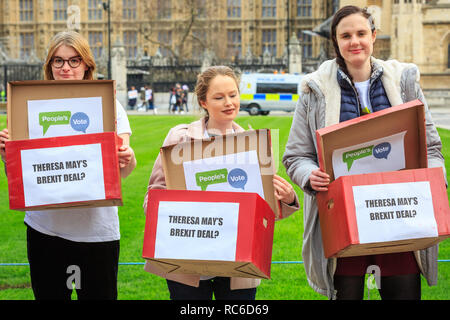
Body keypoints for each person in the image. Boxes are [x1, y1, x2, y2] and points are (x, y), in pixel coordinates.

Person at [282, 5, 445, 300]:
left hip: (399, 217)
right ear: (336, 42)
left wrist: (434, 182)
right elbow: (296, 156)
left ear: (373, 36)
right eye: (346, 35)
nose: (354, 41)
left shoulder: (404, 82)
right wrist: (310, 175)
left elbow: (431, 147)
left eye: (361, 33)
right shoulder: (314, 89)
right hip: (344, 222)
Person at [0, 31, 137, 300]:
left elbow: (121, 172)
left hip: (97, 232)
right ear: (49, 65)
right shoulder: (29, 106)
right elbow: (19, 177)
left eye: (74, 61)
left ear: (87, 64)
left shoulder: (109, 105)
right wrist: (8, 156)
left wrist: (128, 159)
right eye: (58, 61)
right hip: (46, 230)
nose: (66, 68)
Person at [143, 65, 299, 300]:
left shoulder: (255, 144)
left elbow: (266, 214)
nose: (229, 102)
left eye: (233, 94)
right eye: (219, 97)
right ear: (203, 102)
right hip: (188, 261)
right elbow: (153, 196)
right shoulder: (180, 137)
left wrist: (286, 198)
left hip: (239, 262)